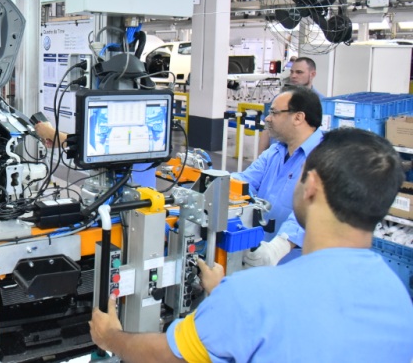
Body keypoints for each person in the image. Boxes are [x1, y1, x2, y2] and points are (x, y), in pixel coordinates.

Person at [89, 127, 413, 362]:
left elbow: (168, 356)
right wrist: (224, 295)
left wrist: (110, 336)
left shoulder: (252, 297)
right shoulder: (396, 297)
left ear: (311, 186)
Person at [238, 86, 323, 267]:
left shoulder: (325, 157)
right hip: (262, 250)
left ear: (298, 118)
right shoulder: (276, 150)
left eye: (274, 113)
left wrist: (280, 246)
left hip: (297, 263)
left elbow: (314, 209)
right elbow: (246, 181)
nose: (267, 118)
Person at [258, 57, 325, 154]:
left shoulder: (321, 103)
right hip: (275, 155)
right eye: (292, 72)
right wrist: (260, 157)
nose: (293, 76)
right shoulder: (279, 99)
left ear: (312, 74)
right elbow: (267, 129)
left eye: (299, 72)